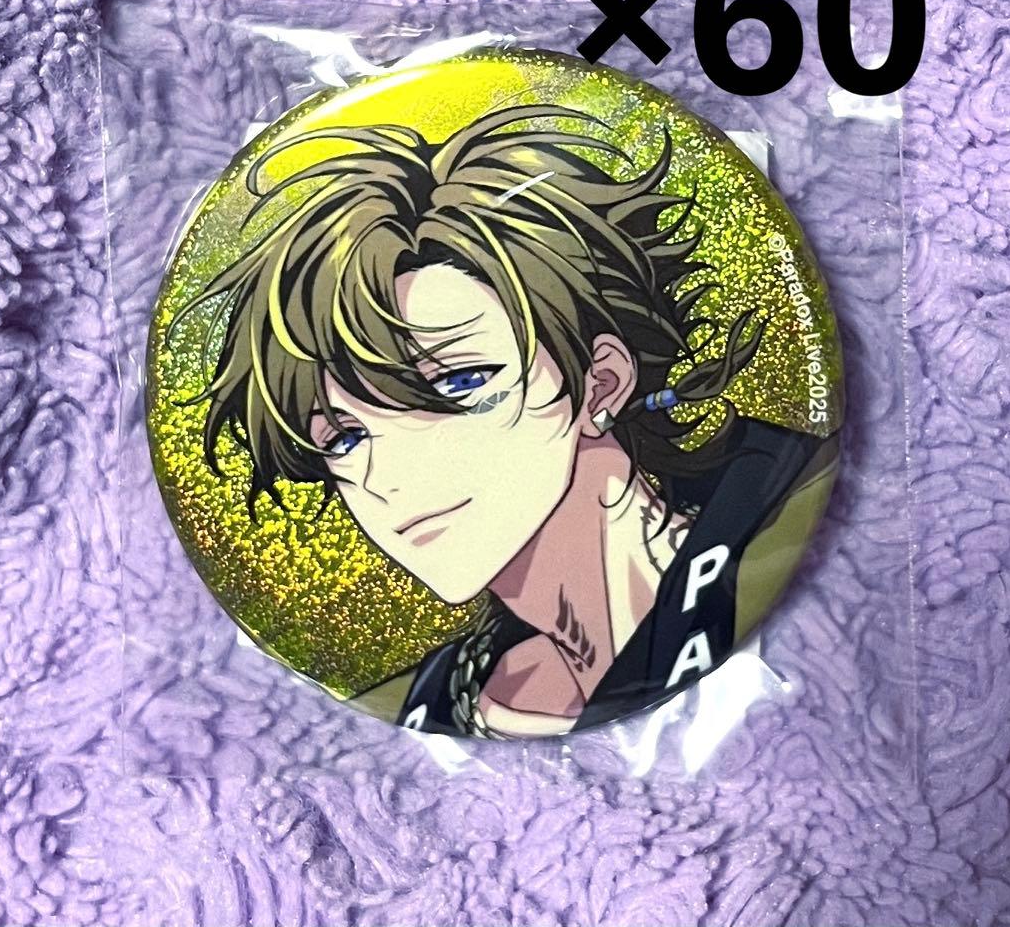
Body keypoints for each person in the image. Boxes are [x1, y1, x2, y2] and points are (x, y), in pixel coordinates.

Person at [173, 103, 838, 738]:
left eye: (460, 382)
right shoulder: (440, 699)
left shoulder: (778, 541)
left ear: (600, 383)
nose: (387, 476)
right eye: (343, 436)